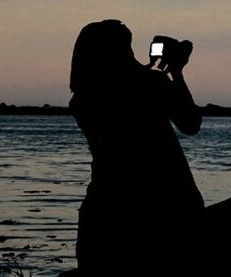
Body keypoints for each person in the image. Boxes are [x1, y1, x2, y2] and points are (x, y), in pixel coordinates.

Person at [69, 19, 205, 275]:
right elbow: (190, 123)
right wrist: (176, 71)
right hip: (169, 200)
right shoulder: (152, 84)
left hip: (108, 202)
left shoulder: (82, 99)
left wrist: (156, 71)